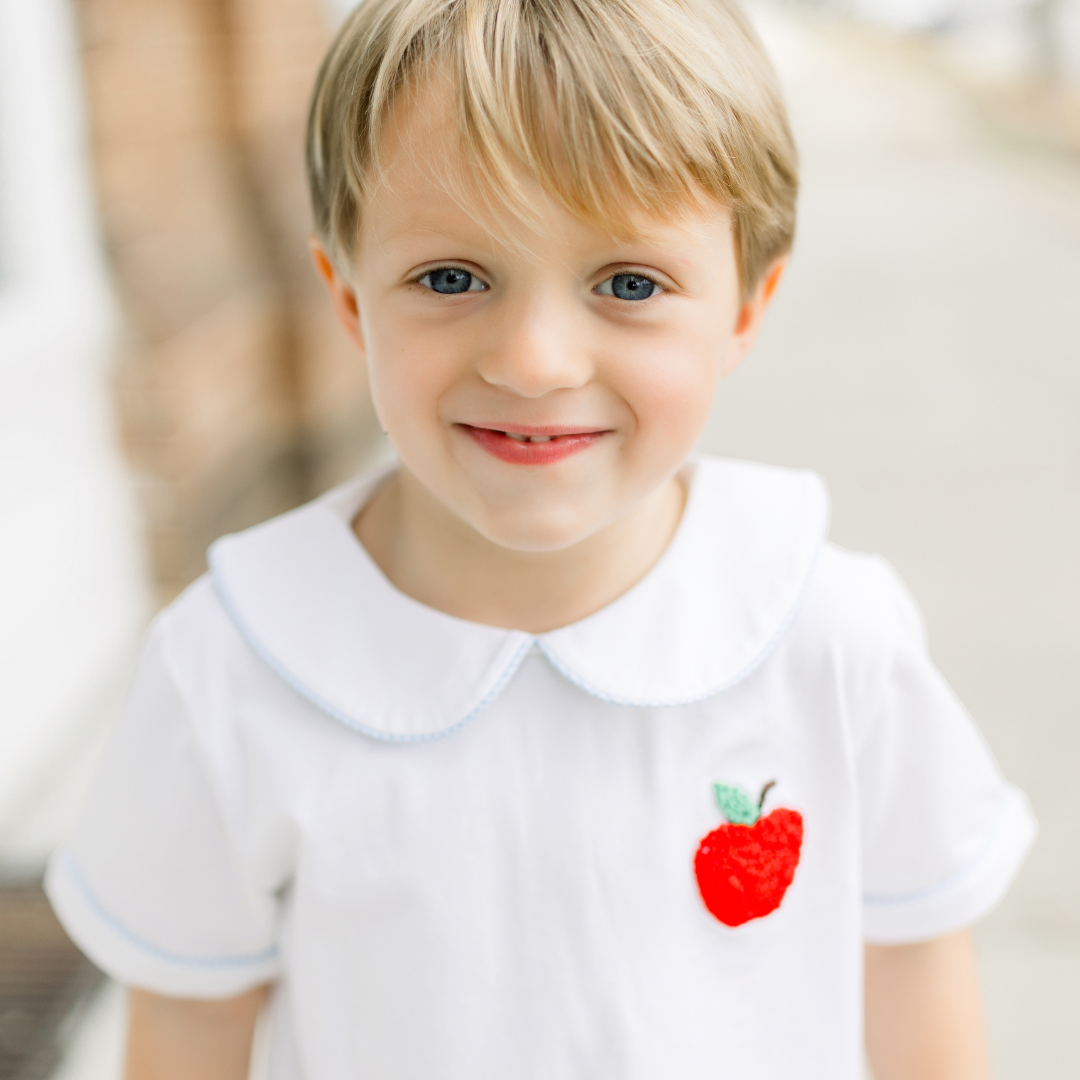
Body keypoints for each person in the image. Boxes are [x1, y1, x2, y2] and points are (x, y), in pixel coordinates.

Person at [46, 0, 1037, 1076]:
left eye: (628, 284)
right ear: (349, 300)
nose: (534, 361)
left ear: (747, 307)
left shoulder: (827, 630)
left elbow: (909, 952)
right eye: (451, 279)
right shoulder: (235, 666)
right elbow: (192, 1018)